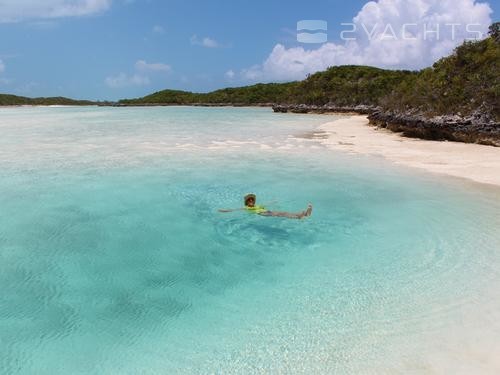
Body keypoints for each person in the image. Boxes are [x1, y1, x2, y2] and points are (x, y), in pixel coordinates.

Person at [218, 193, 312, 219]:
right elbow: (235, 209)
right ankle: (300, 216)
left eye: (252, 200)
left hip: (268, 211)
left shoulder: (258, 205)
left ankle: (304, 215)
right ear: (247, 202)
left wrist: (273, 201)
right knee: (281, 214)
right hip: (262, 214)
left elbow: (266, 204)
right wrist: (225, 211)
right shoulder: (246, 208)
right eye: (249, 200)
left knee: (283, 213)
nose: (251, 201)